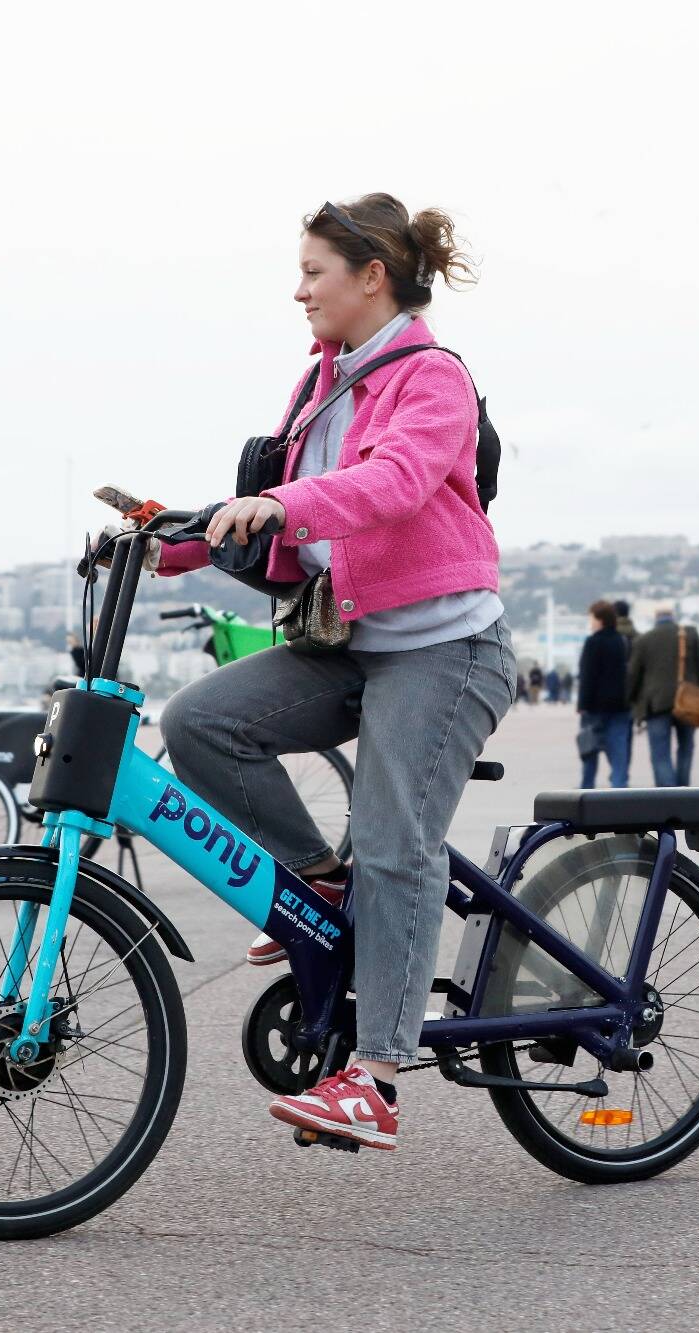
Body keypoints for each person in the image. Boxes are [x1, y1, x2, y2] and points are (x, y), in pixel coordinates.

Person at [153, 193, 513, 1152]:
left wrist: (278, 503)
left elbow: (391, 484)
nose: (300, 288)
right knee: (199, 724)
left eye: (315, 270)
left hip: (445, 648)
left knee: (398, 839)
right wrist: (179, 537)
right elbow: (284, 505)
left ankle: (378, 1076)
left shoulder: (430, 377)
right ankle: (321, 884)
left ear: (372, 276)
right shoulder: (324, 380)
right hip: (352, 640)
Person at [626, 605, 699, 786]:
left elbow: (633, 675)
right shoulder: (690, 635)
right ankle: (683, 793)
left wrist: (631, 700)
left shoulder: (643, 640)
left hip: (656, 704)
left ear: (656, 618)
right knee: (686, 749)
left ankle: (667, 795)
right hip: (688, 701)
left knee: (660, 754)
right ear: (673, 617)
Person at [576, 598, 633, 789]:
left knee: (590, 750)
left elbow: (588, 675)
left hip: (595, 706)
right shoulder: (621, 641)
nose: (590, 622)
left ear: (600, 619)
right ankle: (619, 788)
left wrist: (582, 705)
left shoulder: (593, 642)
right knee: (619, 752)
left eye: (592, 618)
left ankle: (587, 788)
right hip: (620, 705)